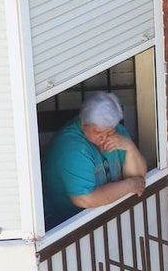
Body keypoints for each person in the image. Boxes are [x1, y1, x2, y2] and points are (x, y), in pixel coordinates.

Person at [42, 92, 148, 227]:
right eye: (98, 132)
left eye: (109, 132)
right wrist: (128, 186)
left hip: (107, 215)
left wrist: (129, 147)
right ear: (84, 122)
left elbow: (138, 177)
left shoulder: (118, 133)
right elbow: (84, 199)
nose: (104, 138)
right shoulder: (72, 147)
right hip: (68, 226)